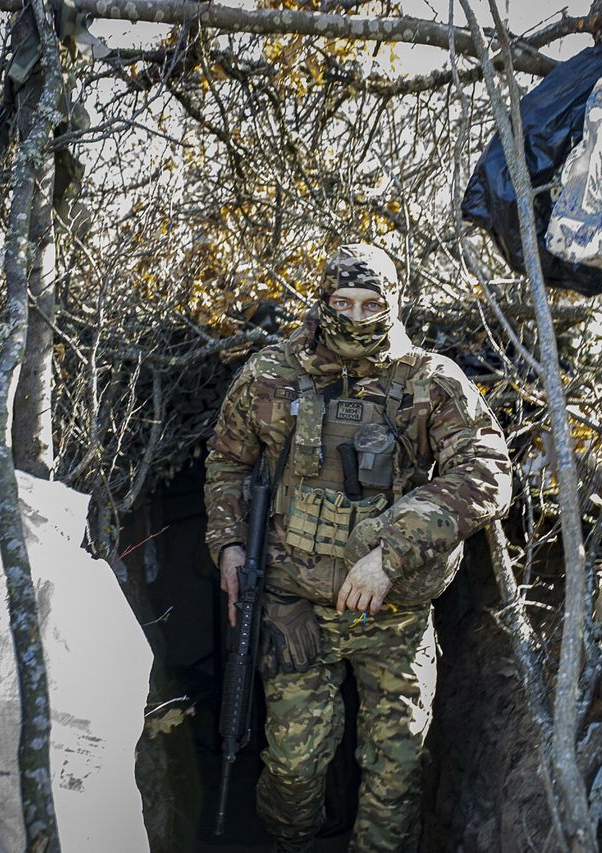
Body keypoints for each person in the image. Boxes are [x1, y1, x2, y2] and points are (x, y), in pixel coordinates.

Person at [205, 243, 513, 852]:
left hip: (392, 610)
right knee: (293, 768)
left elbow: (488, 472)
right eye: (342, 302)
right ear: (321, 302)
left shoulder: (429, 379)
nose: (356, 314)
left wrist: (390, 553)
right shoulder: (271, 375)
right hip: (293, 603)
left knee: (396, 770)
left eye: (372, 304)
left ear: (393, 303)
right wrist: (230, 544)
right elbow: (226, 462)